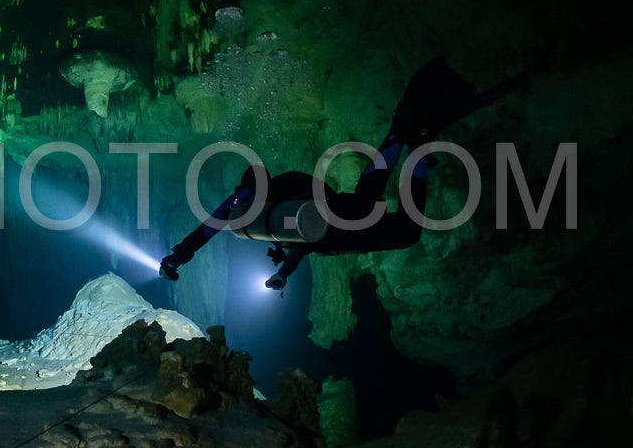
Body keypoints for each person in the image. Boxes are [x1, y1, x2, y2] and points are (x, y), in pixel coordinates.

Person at [159, 58, 493, 290]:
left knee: (366, 207)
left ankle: (401, 132)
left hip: (329, 225)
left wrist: (180, 255)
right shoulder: (254, 204)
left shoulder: (258, 203)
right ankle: (416, 144)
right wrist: (284, 275)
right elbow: (297, 240)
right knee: (406, 233)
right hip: (328, 234)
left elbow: (212, 225)